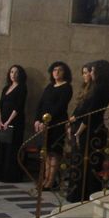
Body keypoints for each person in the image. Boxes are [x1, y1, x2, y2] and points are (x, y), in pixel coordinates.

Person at [66, 59, 109, 203]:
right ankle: (77, 193)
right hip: (88, 128)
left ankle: (83, 194)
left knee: (85, 164)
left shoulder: (101, 88)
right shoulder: (98, 87)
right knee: (79, 162)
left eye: (92, 70)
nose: (91, 73)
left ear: (100, 72)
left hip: (91, 131)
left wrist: (79, 131)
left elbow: (91, 113)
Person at [34, 61, 74, 191]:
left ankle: (51, 181)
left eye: (60, 70)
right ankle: (45, 178)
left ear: (65, 72)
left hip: (56, 123)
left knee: (54, 153)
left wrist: (47, 121)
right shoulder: (49, 87)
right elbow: (41, 104)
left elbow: (60, 106)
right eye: (54, 70)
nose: (56, 72)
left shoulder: (67, 87)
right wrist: (37, 120)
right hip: (43, 124)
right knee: (45, 153)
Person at [0, 64, 29, 184]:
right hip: (2, 122)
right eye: (12, 72)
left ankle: (10, 176)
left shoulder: (22, 88)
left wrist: (8, 122)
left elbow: (18, 107)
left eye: (16, 72)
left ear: (20, 75)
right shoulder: (6, 88)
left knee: (11, 149)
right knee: (1, 147)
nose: (13, 74)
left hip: (15, 122)